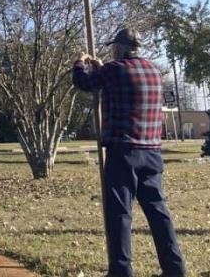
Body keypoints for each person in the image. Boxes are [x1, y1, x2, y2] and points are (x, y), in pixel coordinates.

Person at [72, 28, 186, 277]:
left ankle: (121, 271)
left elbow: (83, 83)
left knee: (120, 214)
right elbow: (119, 82)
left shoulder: (113, 70)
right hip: (152, 152)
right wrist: (103, 68)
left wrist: (79, 63)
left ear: (119, 48)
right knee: (158, 212)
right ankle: (175, 269)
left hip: (123, 151)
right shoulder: (155, 72)